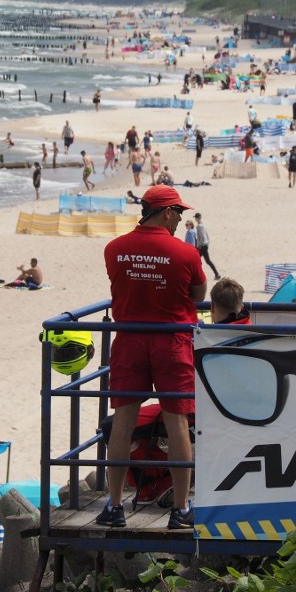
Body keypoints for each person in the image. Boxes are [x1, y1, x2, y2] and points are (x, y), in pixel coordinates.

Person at [100, 185, 206, 530]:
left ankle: (114, 505)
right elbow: (198, 292)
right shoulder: (185, 253)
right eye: (179, 213)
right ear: (166, 212)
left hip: (129, 338)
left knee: (123, 422)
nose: (180, 220)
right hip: (171, 340)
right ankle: (180, 509)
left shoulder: (114, 249)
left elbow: (121, 285)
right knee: (177, 423)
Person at [194, 212, 221, 280]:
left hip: (202, 246)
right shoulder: (202, 225)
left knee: (206, 261)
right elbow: (206, 235)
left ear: (198, 218)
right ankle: (216, 274)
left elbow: (201, 237)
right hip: (205, 245)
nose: (195, 219)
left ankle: (217, 274)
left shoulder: (199, 226)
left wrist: (198, 246)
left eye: (196, 218)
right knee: (197, 260)